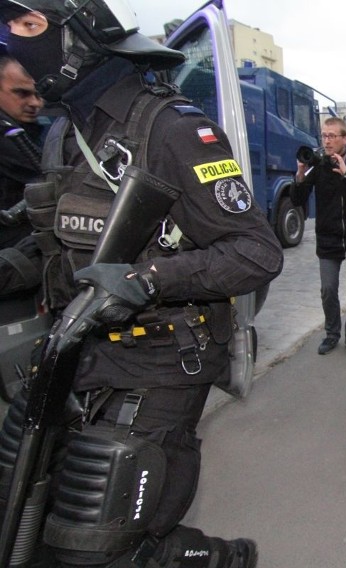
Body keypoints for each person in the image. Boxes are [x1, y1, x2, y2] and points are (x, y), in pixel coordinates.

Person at [0, 2, 283, 566]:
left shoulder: (174, 129)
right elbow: (64, 242)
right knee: (27, 514)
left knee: (99, 546)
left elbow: (257, 252)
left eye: (29, 27)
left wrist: (146, 280)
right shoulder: (62, 133)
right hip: (76, 351)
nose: (15, 45)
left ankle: (221, 557)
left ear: (82, 33)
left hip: (160, 356)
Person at [292, 116, 346, 355]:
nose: (327, 140)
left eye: (332, 136)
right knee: (327, 289)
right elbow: (297, 200)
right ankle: (332, 334)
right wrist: (301, 173)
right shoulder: (319, 162)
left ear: (345, 138)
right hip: (328, 239)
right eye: (324, 135)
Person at [0, 55, 44, 248]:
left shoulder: (34, 130)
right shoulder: (7, 135)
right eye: (22, 94)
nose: (35, 103)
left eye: (38, 94)